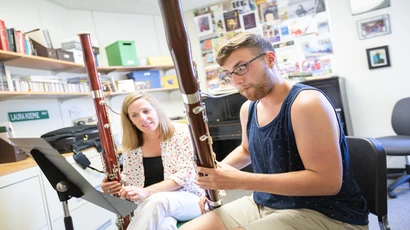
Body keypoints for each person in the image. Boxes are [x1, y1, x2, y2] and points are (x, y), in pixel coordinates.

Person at [180, 32, 369, 230]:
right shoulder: (249, 108)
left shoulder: (306, 103)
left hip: (325, 212)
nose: (236, 81)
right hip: (267, 202)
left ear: (270, 59)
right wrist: (216, 175)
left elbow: (328, 183)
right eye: (229, 74)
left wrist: (242, 180)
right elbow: (246, 150)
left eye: (241, 68)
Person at [101, 92, 203, 230]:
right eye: (135, 115)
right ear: (130, 120)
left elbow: (185, 175)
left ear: (157, 110)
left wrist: (147, 192)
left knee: (157, 200)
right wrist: (115, 184)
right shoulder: (131, 144)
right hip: (150, 205)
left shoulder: (181, 132)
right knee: (163, 226)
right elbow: (131, 178)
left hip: (189, 199)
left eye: (146, 111)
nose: (142, 118)